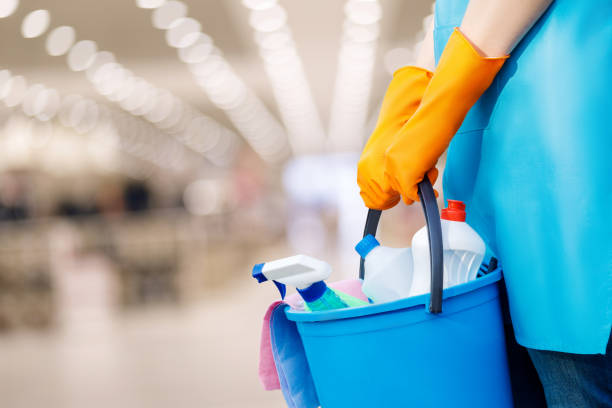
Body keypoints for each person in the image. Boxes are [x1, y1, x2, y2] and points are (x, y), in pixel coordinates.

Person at [357, 0, 612, 407]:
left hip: (568, 179)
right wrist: (406, 101)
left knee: (574, 373)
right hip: (486, 192)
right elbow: (453, 16)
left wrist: (432, 114)